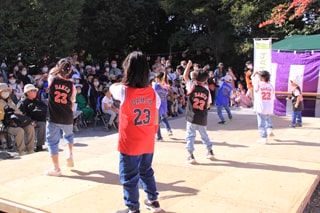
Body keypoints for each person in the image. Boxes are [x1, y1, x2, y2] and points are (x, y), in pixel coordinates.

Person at [110, 51, 162, 213]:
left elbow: (112, 87)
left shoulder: (123, 91)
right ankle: (153, 200)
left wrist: (122, 82)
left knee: (129, 177)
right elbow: (156, 115)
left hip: (130, 143)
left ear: (128, 70)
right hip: (147, 140)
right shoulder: (153, 93)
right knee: (146, 171)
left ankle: (133, 208)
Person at [44, 58, 76, 176]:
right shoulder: (71, 85)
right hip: (67, 115)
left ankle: (56, 168)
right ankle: (70, 153)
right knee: (69, 136)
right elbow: (72, 102)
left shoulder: (53, 79)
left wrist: (57, 68)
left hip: (54, 116)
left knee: (52, 142)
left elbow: (51, 72)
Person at [184, 62, 215, 164]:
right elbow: (208, 105)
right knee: (204, 135)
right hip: (202, 117)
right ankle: (210, 151)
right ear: (206, 80)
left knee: (190, 135)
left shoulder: (192, 85)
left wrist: (188, 66)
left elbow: (185, 76)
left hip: (192, 116)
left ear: (194, 79)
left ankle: (190, 155)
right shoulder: (206, 90)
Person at [0, 83, 35, 155]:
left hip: (16, 122)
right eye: (3, 91)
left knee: (30, 127)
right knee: (19, 131)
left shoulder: (10, 101)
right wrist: (10, 112)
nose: (6, 92)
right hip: (6, 125)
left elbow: (17, 109)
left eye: (7, 90)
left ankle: (30, 149)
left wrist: (18, 112)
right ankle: (21, 151)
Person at [17, 84, 48, 152]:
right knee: (31, 126)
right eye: (33, 90)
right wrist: (30, 121)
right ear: (27, 92)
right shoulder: (22, 102)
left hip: (37, 121)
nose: (35, 92)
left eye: (35, 90)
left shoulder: (37, 101)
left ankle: (39, 146)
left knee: (42, 124)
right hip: (26, 122)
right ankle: (28, 147)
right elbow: (20, 115)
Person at [252, 70, 275, 144]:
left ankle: (264, 137)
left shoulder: (259, 84)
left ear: (262, 77)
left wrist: (254, 75)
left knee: (261, 123)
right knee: (267, 118)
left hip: (261, 106)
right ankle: (269, 128)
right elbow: (273, 96)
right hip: (269, 106)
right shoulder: (270, 85)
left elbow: (253, 80)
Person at [153, 72, 173, 141]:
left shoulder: (156, 85)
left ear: (158, 79)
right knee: (163, 118)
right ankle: (169, 130)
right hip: (163, 104)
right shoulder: (165, 87)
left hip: (157, 105)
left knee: (157, 121)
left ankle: (159, 136)